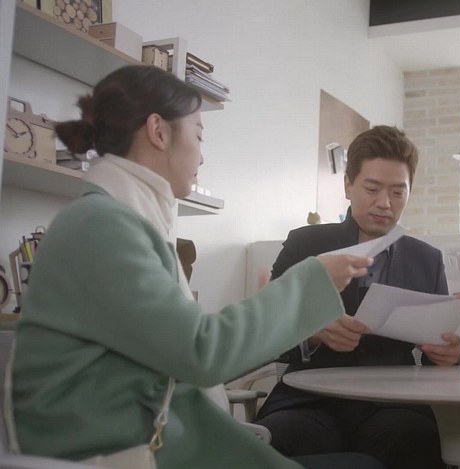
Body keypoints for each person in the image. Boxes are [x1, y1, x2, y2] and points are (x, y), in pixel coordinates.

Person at [10, 65, 383, 469]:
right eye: (199, 135)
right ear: (158, 131)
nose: (202, 155)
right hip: (117, 450)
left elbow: (191, 351)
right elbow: (201, 352)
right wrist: (311, 281)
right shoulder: (101, 225)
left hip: (141, 436)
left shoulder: (117, 219)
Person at [255, 125, 460, 469]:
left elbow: (435, 357)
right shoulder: (305, 244)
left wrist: (450, 357)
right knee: (280, 440)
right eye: (372, 188)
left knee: (415, 441)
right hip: (309, 400)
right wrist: (313, 332)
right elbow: (266, 333)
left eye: (398, 192)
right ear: (348, 186)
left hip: (393, 404)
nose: (385, 203)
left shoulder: (426, 259)